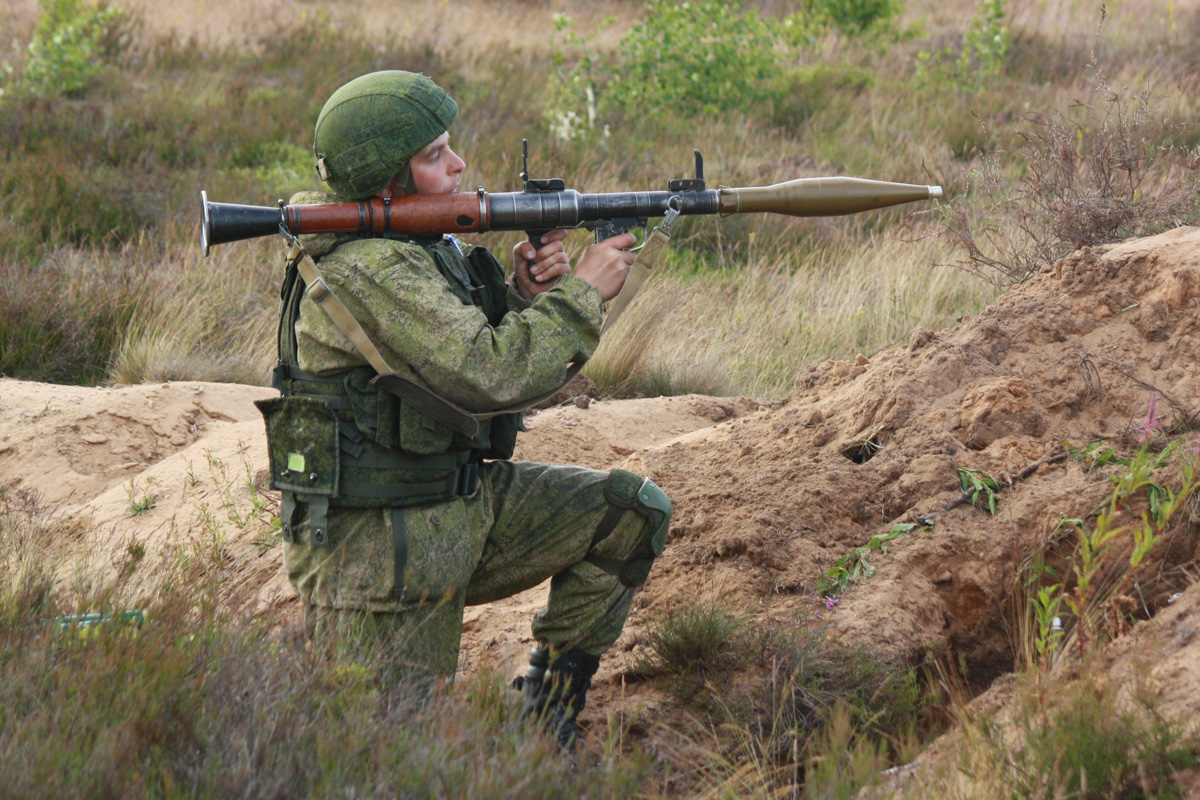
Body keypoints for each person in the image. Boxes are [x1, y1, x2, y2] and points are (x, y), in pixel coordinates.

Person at [258, 70, 671, 746]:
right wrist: (583, 296)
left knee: (628, 515)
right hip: (381, 558)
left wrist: (525, 294)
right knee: (390, 757)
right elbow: (490, 375)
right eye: (433, 156)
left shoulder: (419, 249)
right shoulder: (369, 269)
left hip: (456, 512)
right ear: (387, 179)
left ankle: (546, 723)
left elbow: (454, 352)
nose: (459, 166)